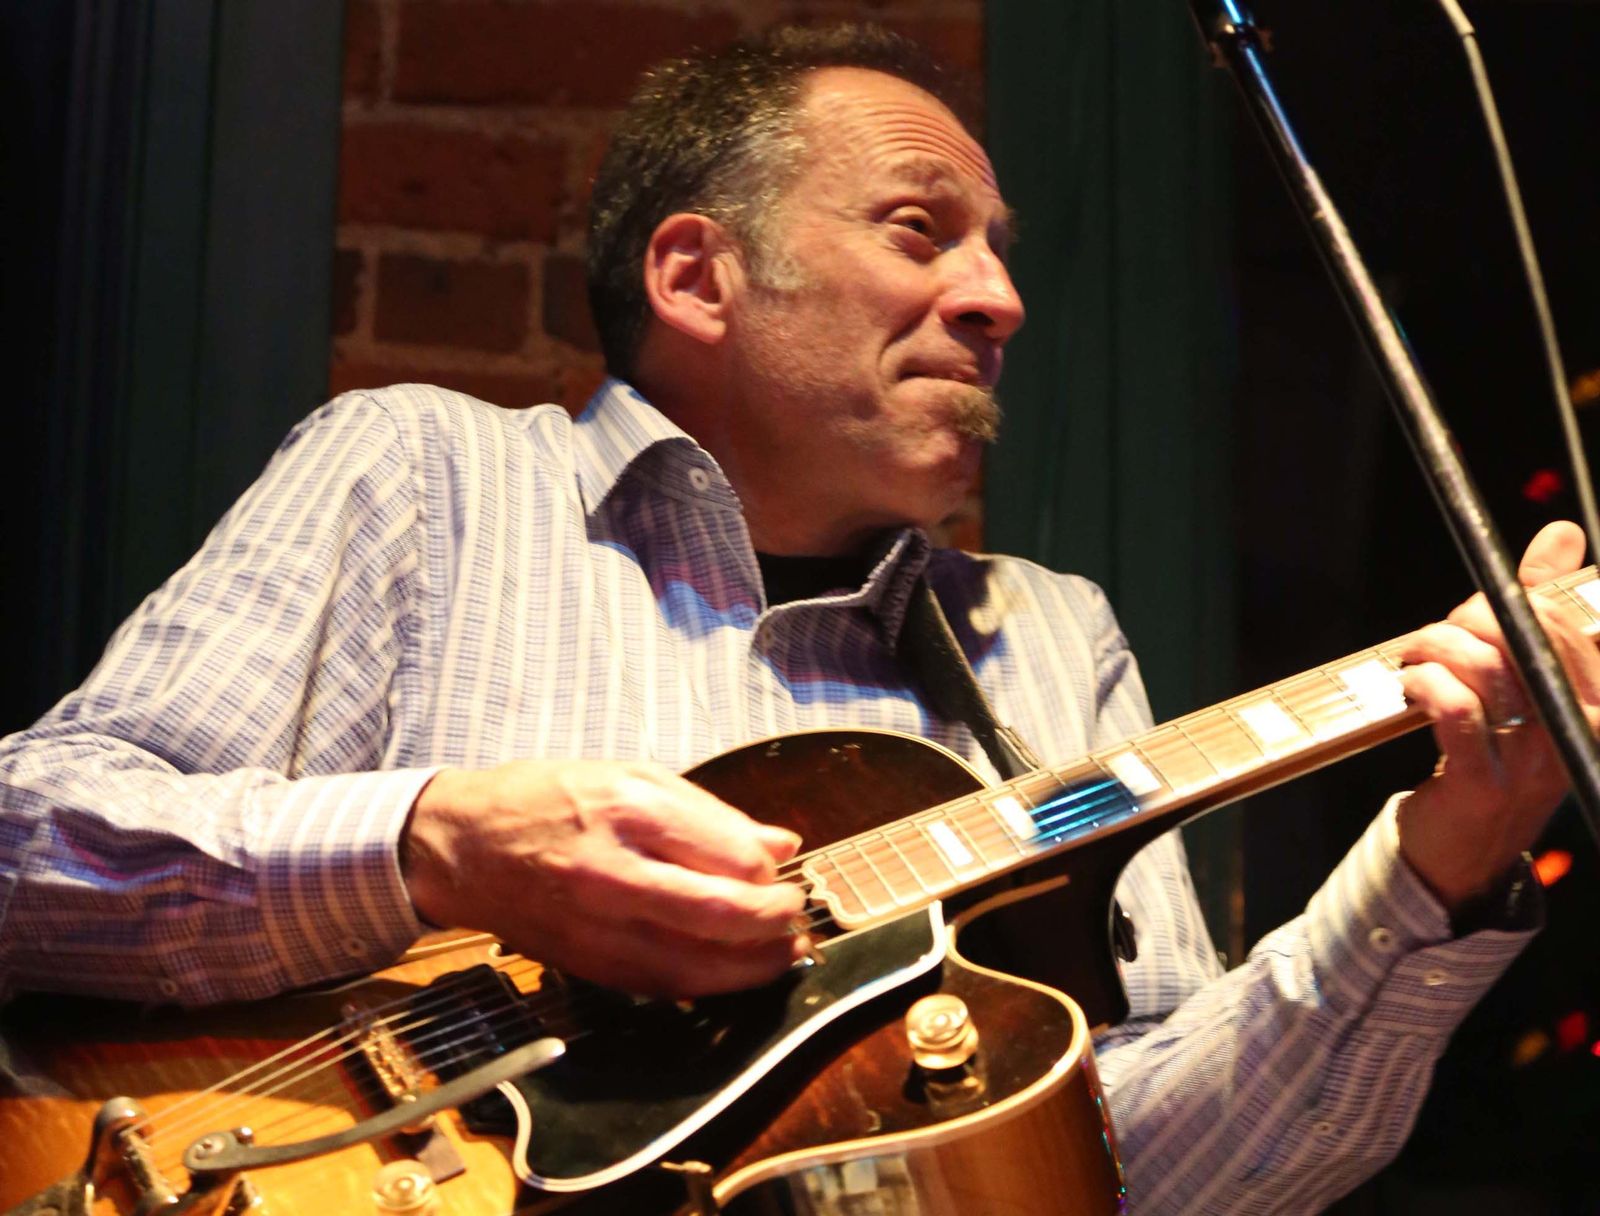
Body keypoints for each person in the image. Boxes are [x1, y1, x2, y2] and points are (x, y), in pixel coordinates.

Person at [1, 24, 1595, 1214]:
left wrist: (1442, 860)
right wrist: (441, 846)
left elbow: (1127, 1180)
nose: (1000, 299)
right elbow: (31, 851)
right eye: (921, 229)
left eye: (1001, 256)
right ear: (698, 276)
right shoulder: (425, 478)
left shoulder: (1050, 640)